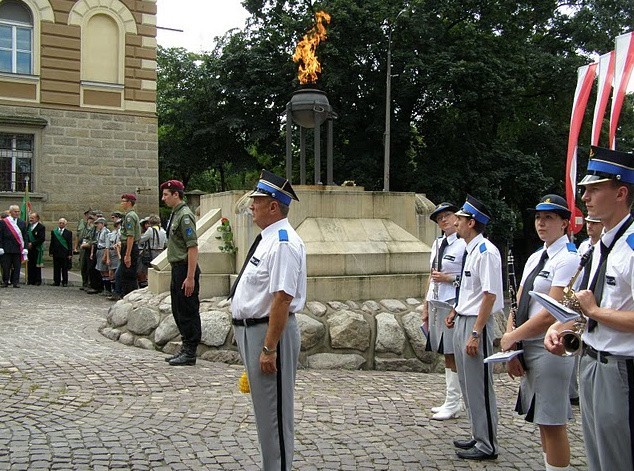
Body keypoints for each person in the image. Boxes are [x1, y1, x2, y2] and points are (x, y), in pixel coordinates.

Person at [545, 146, 634, 471]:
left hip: (621, 369)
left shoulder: (631, 246)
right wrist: (562, 326)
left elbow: (597, 308)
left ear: (621, 192)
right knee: (598, 458)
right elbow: (586, 304)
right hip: (592, 362)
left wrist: (595, 312)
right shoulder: (600, 246)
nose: (585, 195)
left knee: (618, 459)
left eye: (594, 189)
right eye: (584, 189)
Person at [230, 170, 306, 470]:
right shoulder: (267, 239)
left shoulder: (283, 242)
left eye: (257, 201)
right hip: (255, 333)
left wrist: (268, 348)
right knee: (265, 414)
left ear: (274, 206)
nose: (252, 205)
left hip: (269, 335)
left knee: (274, 416)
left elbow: (282, 299)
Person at [500, 194, 579, 471]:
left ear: (565, 224)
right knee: (542, 421)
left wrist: (512, 337)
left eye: (549, 218)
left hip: (549, 347)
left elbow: (552, 312)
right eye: (538, 217)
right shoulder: (536, 256)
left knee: (553, 421)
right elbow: (519, 302)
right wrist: (511, 343)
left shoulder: (568, 258)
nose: (541, 223)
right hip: (527, 343)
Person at [445, 195, 502, 461]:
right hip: (464, 319)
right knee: (468, 384)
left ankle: (488, 443)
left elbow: (490, 295)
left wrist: (476, 333)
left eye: (460, 218)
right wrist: (456, 310)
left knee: (479, 384)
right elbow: (471, 290)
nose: (455, 221)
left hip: (476, 323)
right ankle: (477, 434)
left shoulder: (485, 251)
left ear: (472, 222)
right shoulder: (469, 250)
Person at [421, 202, 466, 420]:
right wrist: (425, 305)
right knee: (445, 352)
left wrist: (448, 278)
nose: (444, 220)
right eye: (440, 219)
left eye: (448, 216)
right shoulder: (437, 244)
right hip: (437, 302)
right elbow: (431, 275)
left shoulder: (464, 245)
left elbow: (469, 279)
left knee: (452, 353)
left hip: (453, 303)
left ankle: (454, 401)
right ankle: (452, 398)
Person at [161, 180, 200, 366]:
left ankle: (190, 351)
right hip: (177, 268)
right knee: (178, 309)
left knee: (187, 310)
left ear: (176, 194)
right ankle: (185, 347)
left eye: (166, 194)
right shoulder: (175, 214)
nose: (163, 198)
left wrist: (190, 277)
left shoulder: (185, 216)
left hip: (185, 269)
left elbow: (192, 247)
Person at [569, 214, 603, 405]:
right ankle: (573, 390)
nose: (590, 226)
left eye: (594, 223)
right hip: (578, 302)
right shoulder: (583, 247)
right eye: (588, 222)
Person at [117, 193, 141, 296]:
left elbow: (130, 236)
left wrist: (127, 255)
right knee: (126, 273)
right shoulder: (130, 215)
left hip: (129, 246)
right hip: (128, 245)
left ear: (129, 203)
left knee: (127, 274)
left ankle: (128, 295)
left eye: (124, 201)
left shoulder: (129, 216)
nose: (122, 203)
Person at [0, 205, 28, 288]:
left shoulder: (22, 223)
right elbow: (0, 235)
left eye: (18, 211)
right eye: (15, 211)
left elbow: (25, 236)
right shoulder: (4, 222)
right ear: (10, 212)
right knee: (6, 266)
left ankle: (15, 282)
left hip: (17, 248)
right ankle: (5, 281)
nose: (17, 213)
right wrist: (0, 246)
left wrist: (25, 248)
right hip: (6, 248)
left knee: (17, 267)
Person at [49, 218, 73, 287]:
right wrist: (51, 251)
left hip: (64, 253)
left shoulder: (68, 232)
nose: (61, 224)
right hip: (56, 253)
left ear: (65, 224)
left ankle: (65, 282)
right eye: (60, 223)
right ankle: (56, 281)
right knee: (56, 268)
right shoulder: (54, 232)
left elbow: (69, 244)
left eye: (63, 223)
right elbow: (52, 242)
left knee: (64, 269)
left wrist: (70, 254)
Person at [91, 217, 111, 295]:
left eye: (98, 224)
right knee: (101, 270)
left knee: (105, 270)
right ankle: (105, 289)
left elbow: (107, 244)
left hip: (103, 250)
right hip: (99, 250)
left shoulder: (106, 232)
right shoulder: (99, 232)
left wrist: (105, 256)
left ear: (102, 224)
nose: (97, 226)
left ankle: (108, 289)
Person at [105, 213, 122, 300]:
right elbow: (108, 246)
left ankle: (117, 292)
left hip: (118, 253)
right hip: (113, 252)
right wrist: (107, 257)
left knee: (117, 273)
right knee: (111, 273)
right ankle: (113, 291)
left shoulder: (120, 233)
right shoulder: (112, 233)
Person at [26, 212, 46, 285]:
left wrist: (33, 244)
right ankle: (30, 280)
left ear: (37, 219)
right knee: (30, 264)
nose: (31, 219)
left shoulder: (41, 227)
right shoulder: (28, 226)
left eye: (32, 218)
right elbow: (26, 235)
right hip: (29, 248)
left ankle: (37, 280)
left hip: (37, 248)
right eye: (30, 217)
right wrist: (28, 243)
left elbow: (42, 238)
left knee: (36, 265)